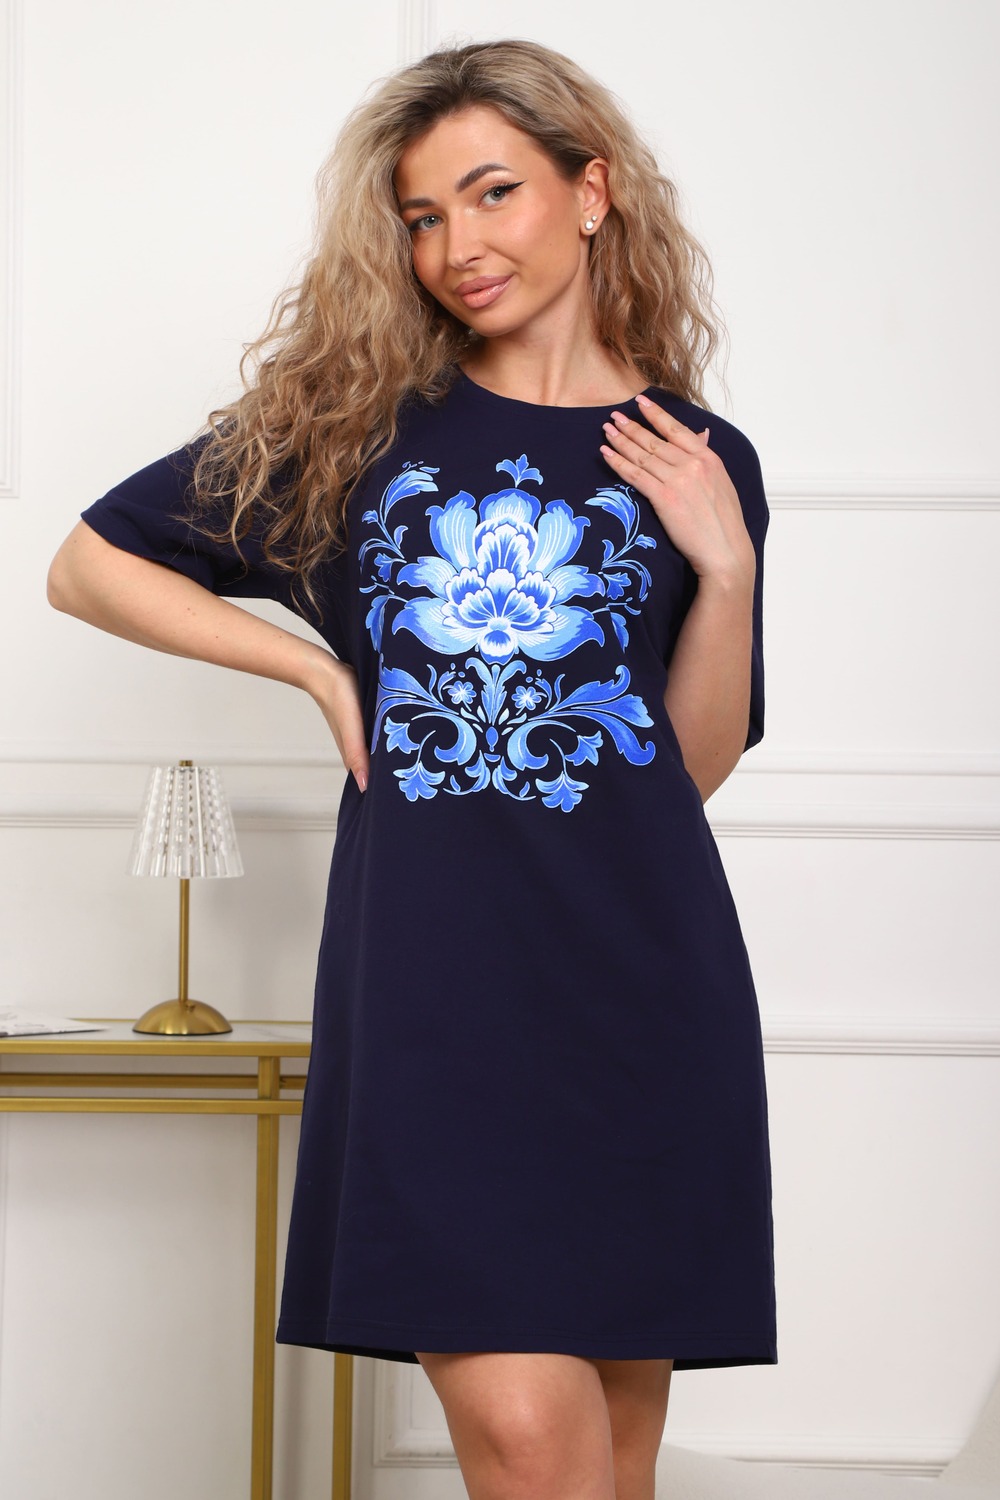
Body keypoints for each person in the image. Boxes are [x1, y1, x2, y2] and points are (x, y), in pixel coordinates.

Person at [47, 37, 776, 1500]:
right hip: (433, 994)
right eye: (424, 217)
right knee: (531, 1446)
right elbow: (89, 564)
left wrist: (729, 572)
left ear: (592, 191)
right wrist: (319, 669)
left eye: (493, 193)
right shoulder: (363, 431)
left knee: (612, 1463)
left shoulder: (699, 458)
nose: (457, 247)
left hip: (643, 995)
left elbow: (681, 775)